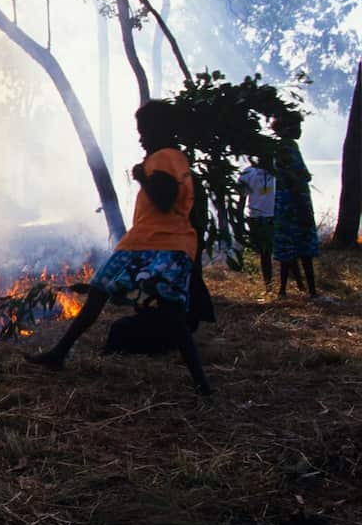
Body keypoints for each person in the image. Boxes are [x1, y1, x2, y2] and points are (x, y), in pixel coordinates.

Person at [23, 100, 212, 395]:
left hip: (158, 245)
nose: (141, 137)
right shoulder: (176, 158)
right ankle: (59, 354)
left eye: (144, 131)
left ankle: (202, 384)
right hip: (149, 243)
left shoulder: (163, 158)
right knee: (101, 290)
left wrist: (141, 177)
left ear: (159, 129)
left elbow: (165, 199)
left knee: (170, 314)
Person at [271, 114, 319, 298]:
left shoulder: (278, 148)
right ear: (288, 128)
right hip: (296, 204)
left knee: (286, 249)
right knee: (304, 248)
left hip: (283, 205)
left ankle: (282, 290)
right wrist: (304, 209)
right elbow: (299, 178)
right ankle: (312, 291)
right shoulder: (289, 147)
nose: (300, 130)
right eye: (297, 126)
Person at [237, 157, 277, 291]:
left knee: (269, 253)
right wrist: (240, 219)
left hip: (270, 217)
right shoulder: (249, 173)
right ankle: (269, 285)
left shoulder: (275, 172)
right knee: (265, 253)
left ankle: (271, 285)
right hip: (257, 217)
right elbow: (241, 198)